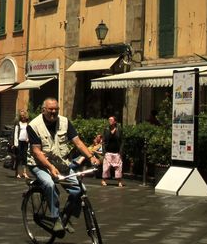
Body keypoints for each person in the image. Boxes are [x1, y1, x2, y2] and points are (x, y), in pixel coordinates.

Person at [27, 98, 99, 233]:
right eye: (50, 109)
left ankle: (67, 216)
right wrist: (50, 167)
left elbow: (77, 142)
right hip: (39, 164)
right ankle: (55, 218)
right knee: (49, 184)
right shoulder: (34, 125)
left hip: (61, 164)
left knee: (80, 189)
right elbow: (36, 152)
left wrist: (91, 157)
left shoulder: (64, 122)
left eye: (56, 109)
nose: (53, 112)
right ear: (43, 110)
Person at [101, 115, 124, 187]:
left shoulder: (119, 130)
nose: (109, 121)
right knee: (106, 167)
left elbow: (122, 141)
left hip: (116, 151)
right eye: (109, 120)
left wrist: (121, 151)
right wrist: (104, 151)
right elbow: (103, 141)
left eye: (111, 120)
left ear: (115, 122)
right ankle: (104, 180)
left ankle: (119, 181)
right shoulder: (106, 129)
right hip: (108, 151)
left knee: (118, 167)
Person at [12, 110, 31, 180]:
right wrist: (15, 143)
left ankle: (24, 172)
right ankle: (17, 173)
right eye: (21, 116)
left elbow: (29, 132)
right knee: (18, 158)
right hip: (19, 142)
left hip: (25, 142)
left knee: (25, 157)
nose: (22, 117)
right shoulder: (18, 123)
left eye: (23, 116)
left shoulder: (28, 123)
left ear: (26, 116)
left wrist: (28, 138)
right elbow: (15, 133)